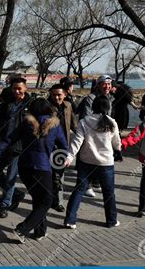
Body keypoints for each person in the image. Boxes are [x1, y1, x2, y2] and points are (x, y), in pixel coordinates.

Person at [0, 98, 68, 243]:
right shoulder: (55, 125)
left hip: (24, 167)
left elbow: (9, 139)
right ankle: (22, 229)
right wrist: (59, 161)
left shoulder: (26, 123)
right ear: (49, 110)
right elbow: (63, 146)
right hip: (42, 168)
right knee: (46, 201)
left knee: (38, 198)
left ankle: (40, 232)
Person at [64, 96, 121, 229]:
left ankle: (70, 220)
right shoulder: (111, 122)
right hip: (106, 163)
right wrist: (118, 150)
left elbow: (77, 141)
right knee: (108, 192)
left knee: (79, 190)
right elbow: (116, 143)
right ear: (107, 107)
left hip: (86, 161)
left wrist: (69, 157)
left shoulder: (85, 121)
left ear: (93, 107)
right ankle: (111, 220)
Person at [0, 77, 32, 218]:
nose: (17, 91)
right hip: (3, 145)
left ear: (25, 88)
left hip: (18, 147)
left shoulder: (30, 104)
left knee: (10, 177)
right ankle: (17, 194)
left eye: (19, 88)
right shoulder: (6, 103)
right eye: (14, 88)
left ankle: (4, 205)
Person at [77, 74, 115, 197]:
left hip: (104, 131)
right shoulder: (91, 98)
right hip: (90, 131)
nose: (107, 86)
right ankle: (86, 185)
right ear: (98, 85)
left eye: (109, 84)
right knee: (87, 156)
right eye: (104, 84)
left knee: (101, 155)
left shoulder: (110, 98)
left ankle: (96, 181)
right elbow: (87, 117)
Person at [48, 84, 77, 212]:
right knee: (49, 174)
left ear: (65, 94)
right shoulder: (46, 107)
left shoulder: (68, 106)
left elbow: (74, 124)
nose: (56, 97)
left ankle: (58, 201)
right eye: (54, 94)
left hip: (63, 145)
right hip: (48, 146)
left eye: (59, 94)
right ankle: (48, 198)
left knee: (60, 175)